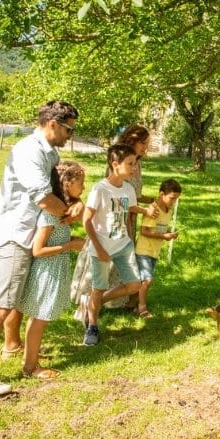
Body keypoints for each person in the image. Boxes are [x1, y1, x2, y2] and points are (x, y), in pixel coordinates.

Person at [0, 100, 82, 397]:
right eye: (69, 128)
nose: (71, 134)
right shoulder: (28, 150)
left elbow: (58, 190)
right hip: (16, 236)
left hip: (31, 234)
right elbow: (43, 198)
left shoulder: (50, 152)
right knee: (3, 303)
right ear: (53, 124)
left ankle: (13, 347)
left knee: (18, 299)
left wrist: (75, 202)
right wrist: (68, 215)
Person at [71, 124, 156, 310]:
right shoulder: (116, 167)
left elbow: (131, 194)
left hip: (126, 221)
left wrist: (149, 201)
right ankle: (92, 302)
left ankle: (107, 301)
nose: (146, 148)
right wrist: (140, 210)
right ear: (133, 141)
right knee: (102, 260)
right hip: (112, 221)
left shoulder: (136, 164)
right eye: (143, 143)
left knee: (121, 262)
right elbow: (113, 195)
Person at [16, 161, 86, 379]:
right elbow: (37, 250)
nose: (83, 187)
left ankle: (31, 356)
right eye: (81, 183)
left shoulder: (62, 209)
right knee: (40, 318)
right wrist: (69, 246)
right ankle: (30, 368)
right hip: (47, 271)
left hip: (56, 267)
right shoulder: (50, 215)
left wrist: (72, 239)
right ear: (67, 183)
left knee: (41, 317)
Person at [82, 144, 157, 345]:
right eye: (130, 163)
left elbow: (129, 207)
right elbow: (86, 220)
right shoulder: (100, 189)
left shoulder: (128, 188)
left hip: (123, 244)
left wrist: (145, 212)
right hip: (102, 247)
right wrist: (99, 248)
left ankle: (94, 303)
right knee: (98, 287)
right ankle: (92, 326)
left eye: (135, 163)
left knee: (133, 285)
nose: (134, 168)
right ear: (115, 165)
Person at [132, 179, 183, 318]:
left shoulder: (169, 210)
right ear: (161, 194)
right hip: (143, 250)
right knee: (147, 280)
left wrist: (169, 235)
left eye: (176, 199)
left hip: (154, 251)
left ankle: (134, 304)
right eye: (172, 198)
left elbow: (161, 230)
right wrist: (164, 236)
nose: (173, 202)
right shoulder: (153, 209)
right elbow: (144, 231)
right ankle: (142, 308)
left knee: (144, 282)